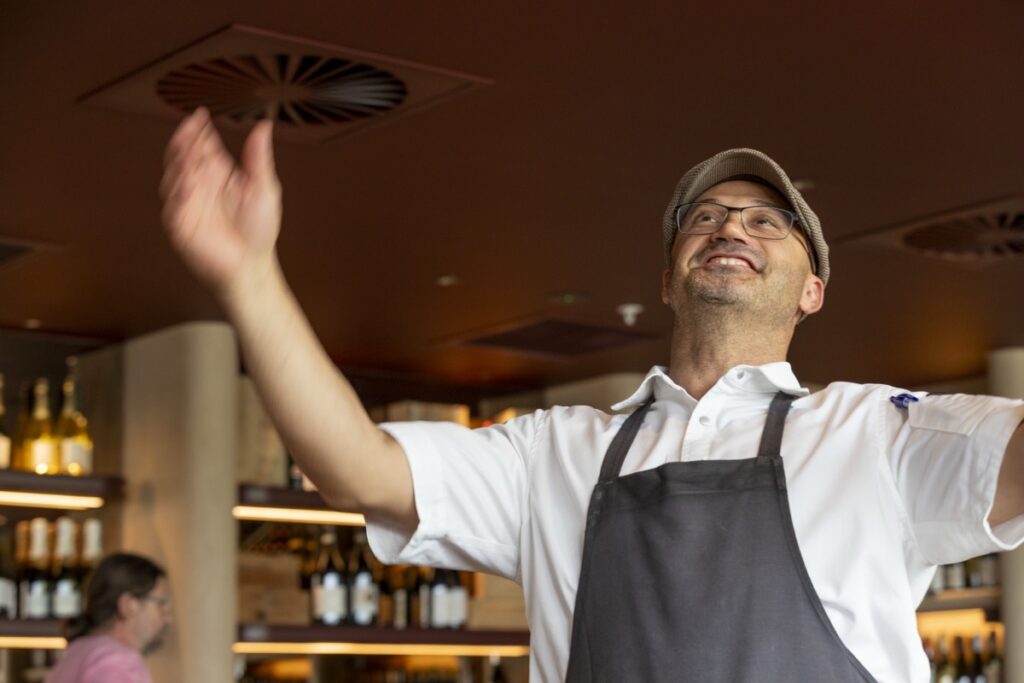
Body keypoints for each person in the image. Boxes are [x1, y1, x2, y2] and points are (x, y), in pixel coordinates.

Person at [159, 107, 1024, 682]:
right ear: (667, 277)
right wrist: (248, 279)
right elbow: (358, 470)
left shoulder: (877, 433)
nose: (730, 226)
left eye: (768, 221)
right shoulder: (555, 450)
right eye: (704, 216)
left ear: (812, 291)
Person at [46, 553, 172, 683]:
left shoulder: (76, 653)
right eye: (161, 604)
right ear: (128, 605)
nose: (168, 618)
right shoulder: (118, 662)